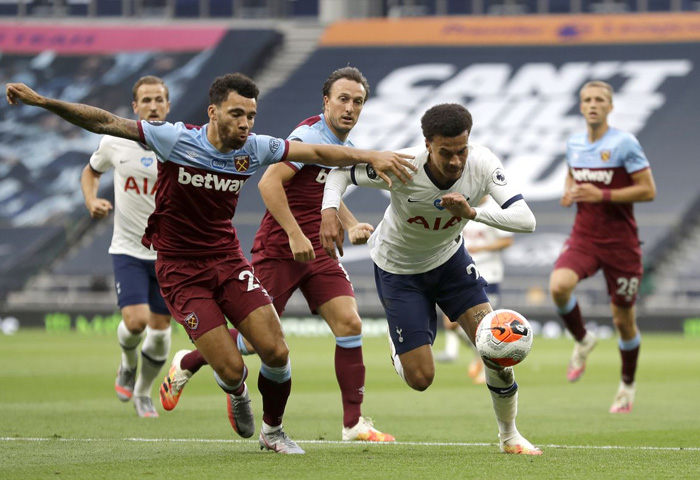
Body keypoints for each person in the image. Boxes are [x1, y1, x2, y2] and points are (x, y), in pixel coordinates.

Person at [6, 74, 414, 455]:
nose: (245, 124)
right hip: (181, 271)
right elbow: (105, 122)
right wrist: (43, 101)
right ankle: (235, 392)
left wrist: (370, 155)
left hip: (227, 260)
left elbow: (321, 153)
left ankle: (273, 432)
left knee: (275, 350)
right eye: (237, 114)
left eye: (251, 115)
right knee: (235, 368)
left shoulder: (255, 148)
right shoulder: (174, 140)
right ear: (213, 112)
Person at [157, 67, 394, 442]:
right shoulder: (309, 136)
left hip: (317, 250)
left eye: (358, 101)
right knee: (255, 344)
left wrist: (347, 224)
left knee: (349, 323)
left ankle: (353, 424)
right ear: (326, 102)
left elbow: (322, 190)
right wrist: (296, 234)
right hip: (282, 248)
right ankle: (189, 361)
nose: (350, 108)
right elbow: (269, 183)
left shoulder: (339, 143)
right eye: (343, 99)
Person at [320, 103, 541, 455]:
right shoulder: (401, 166)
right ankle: (399, 340)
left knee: (494, 349)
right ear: (427, 145)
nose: (456, 161)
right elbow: (340, 173)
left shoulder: (482, 163)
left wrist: (472, 213)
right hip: (398, 270)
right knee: (421, 379)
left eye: (461, 151)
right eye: (445, 153)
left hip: (451, 262)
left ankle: (509, 435)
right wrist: (330, 210)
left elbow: (525, 219)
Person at [548, 80, 656, 414]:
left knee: (623, 321)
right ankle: (583, 339)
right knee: (558, 286)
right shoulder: (575, 143)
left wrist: (602, 194)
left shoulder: (625, 144)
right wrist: (569, 191)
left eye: (599, 99)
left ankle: (626, 385)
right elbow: (571, 176)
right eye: (587, 99)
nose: (593, 104)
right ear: (580, 106)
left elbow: (648, 190)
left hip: (621, 243)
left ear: (610, 106)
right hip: (585, 236)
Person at [80, 75, 172, 418]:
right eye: (145, 100)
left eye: (158, 99)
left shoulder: (180, 143)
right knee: (136, 322)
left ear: (167, 104)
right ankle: (127, 363)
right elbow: (91, 172)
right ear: (135, 107)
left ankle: (143, 393)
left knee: (161, 334)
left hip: (168, 254)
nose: (152, 106)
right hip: (129, 249)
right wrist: (91, 200)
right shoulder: (115, 142)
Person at [435, 196, 514, 385]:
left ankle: (491, 368)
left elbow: (507, 241)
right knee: (450, 324)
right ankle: (480, 353)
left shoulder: (493, 210)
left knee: (487, 326)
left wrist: (482, 247)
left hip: (489, 274)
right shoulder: (461, 205)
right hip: (462, 273)